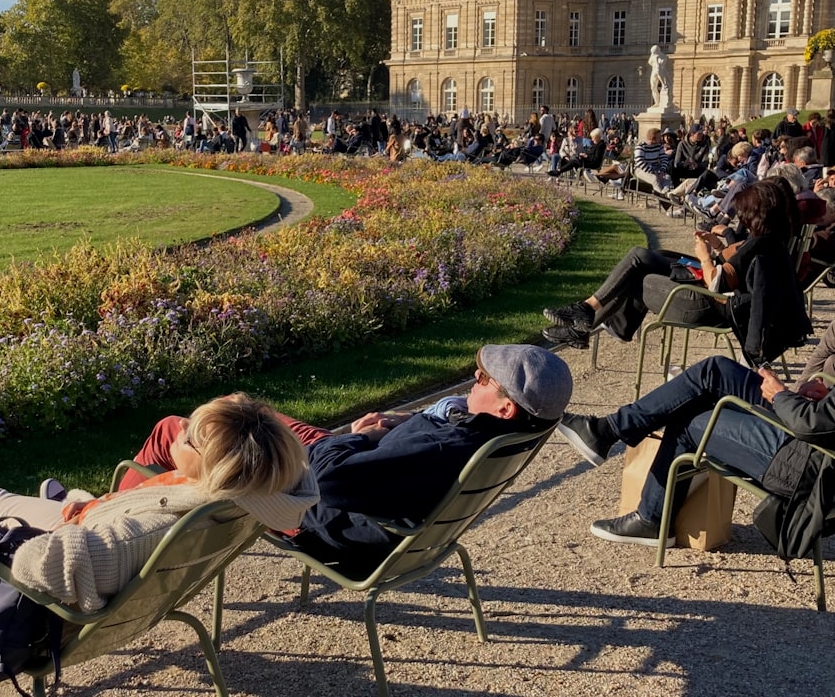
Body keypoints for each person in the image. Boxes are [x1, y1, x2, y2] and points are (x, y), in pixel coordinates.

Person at [0, 394, 318, 612]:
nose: (179, 434)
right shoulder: (252, 494)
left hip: (46, 578)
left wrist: (14, 535)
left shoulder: (153, 528)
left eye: (188, 436)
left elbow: (46, 567)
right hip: (88, 524)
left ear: (214, 467)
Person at [114, 345, 571, 566]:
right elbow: (408, 455)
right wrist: (398, 426)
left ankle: (111, 524)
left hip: (316, 506)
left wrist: (356, 436)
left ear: (506, 406)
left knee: (177, 431)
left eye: (483, 379)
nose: (475, 376)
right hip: (369, 484)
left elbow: (328, 480)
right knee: (240, 411)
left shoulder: (439, 447)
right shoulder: (499, 437)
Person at [556, 355, 835, 555]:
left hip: (807, 464)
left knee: (689, 419)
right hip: (810, 439)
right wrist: (816, 398)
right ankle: (606, 431)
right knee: (715, 370)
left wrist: (781, 397)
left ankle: (652, 520)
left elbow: (812, 425)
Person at [542, 178, 811, 362]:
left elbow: (719, 283)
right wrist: (723, 243)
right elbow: (740, 266)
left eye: (744, 213)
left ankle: (589, 323)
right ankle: (588, 314)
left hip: (709, 303)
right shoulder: (772, 238)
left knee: (640, 274)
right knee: (641, 257)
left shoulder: (762, 245)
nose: (740, 218)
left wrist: (705, 256)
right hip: (716, 295)